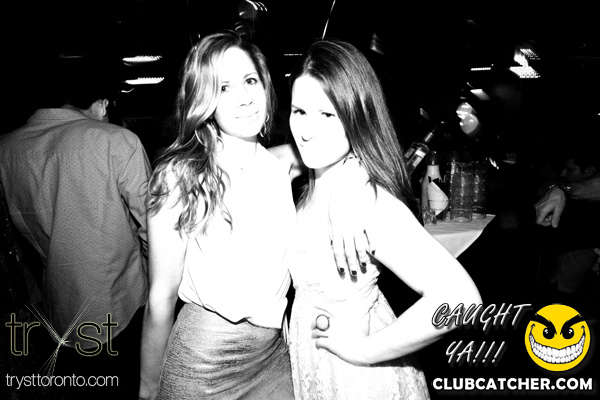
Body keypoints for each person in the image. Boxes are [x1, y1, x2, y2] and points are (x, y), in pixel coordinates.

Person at [138, 31, 368, 400]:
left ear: (265, 86)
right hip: (204, 359)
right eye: (223, 87)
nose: (243, 98)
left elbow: (350, 147)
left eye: (249, 81)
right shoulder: (179, 176)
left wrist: (347, 194)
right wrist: (148, 388)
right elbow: (160, 296)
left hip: (273, 355)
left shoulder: (280, 165)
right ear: (204, 98)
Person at [286, 39, 482, 399]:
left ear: (356, 117)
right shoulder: (316, 182)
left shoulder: (366, 203)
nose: (308, 131)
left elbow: (460, 300)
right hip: (316, 367)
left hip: (356, 379)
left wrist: (364, 350)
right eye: (299, 112)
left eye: (328, 115)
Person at [0, 63, 151, 398]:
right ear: (103, 104)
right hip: (122, 307)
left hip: (59, 308)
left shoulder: (6, 149)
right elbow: (153, 228)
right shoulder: (117, 141)